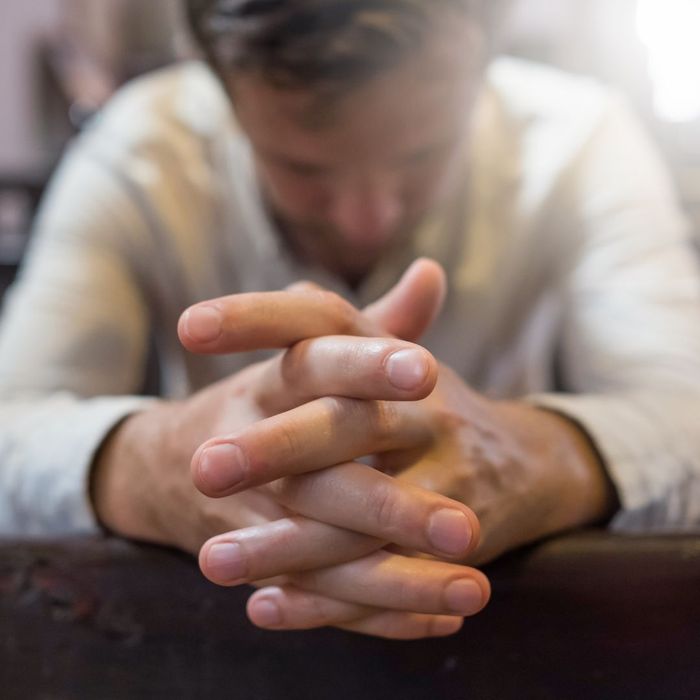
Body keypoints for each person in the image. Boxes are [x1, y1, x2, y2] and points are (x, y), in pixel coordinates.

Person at [1, 0, 699, 640]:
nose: (370, 219)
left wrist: (544, 457)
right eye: (301, 167)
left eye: (421, 156)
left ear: (485, 54)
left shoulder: (579, 140)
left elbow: (686, 410)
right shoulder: (141, 151)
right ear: (218, 86)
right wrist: (152, 467)